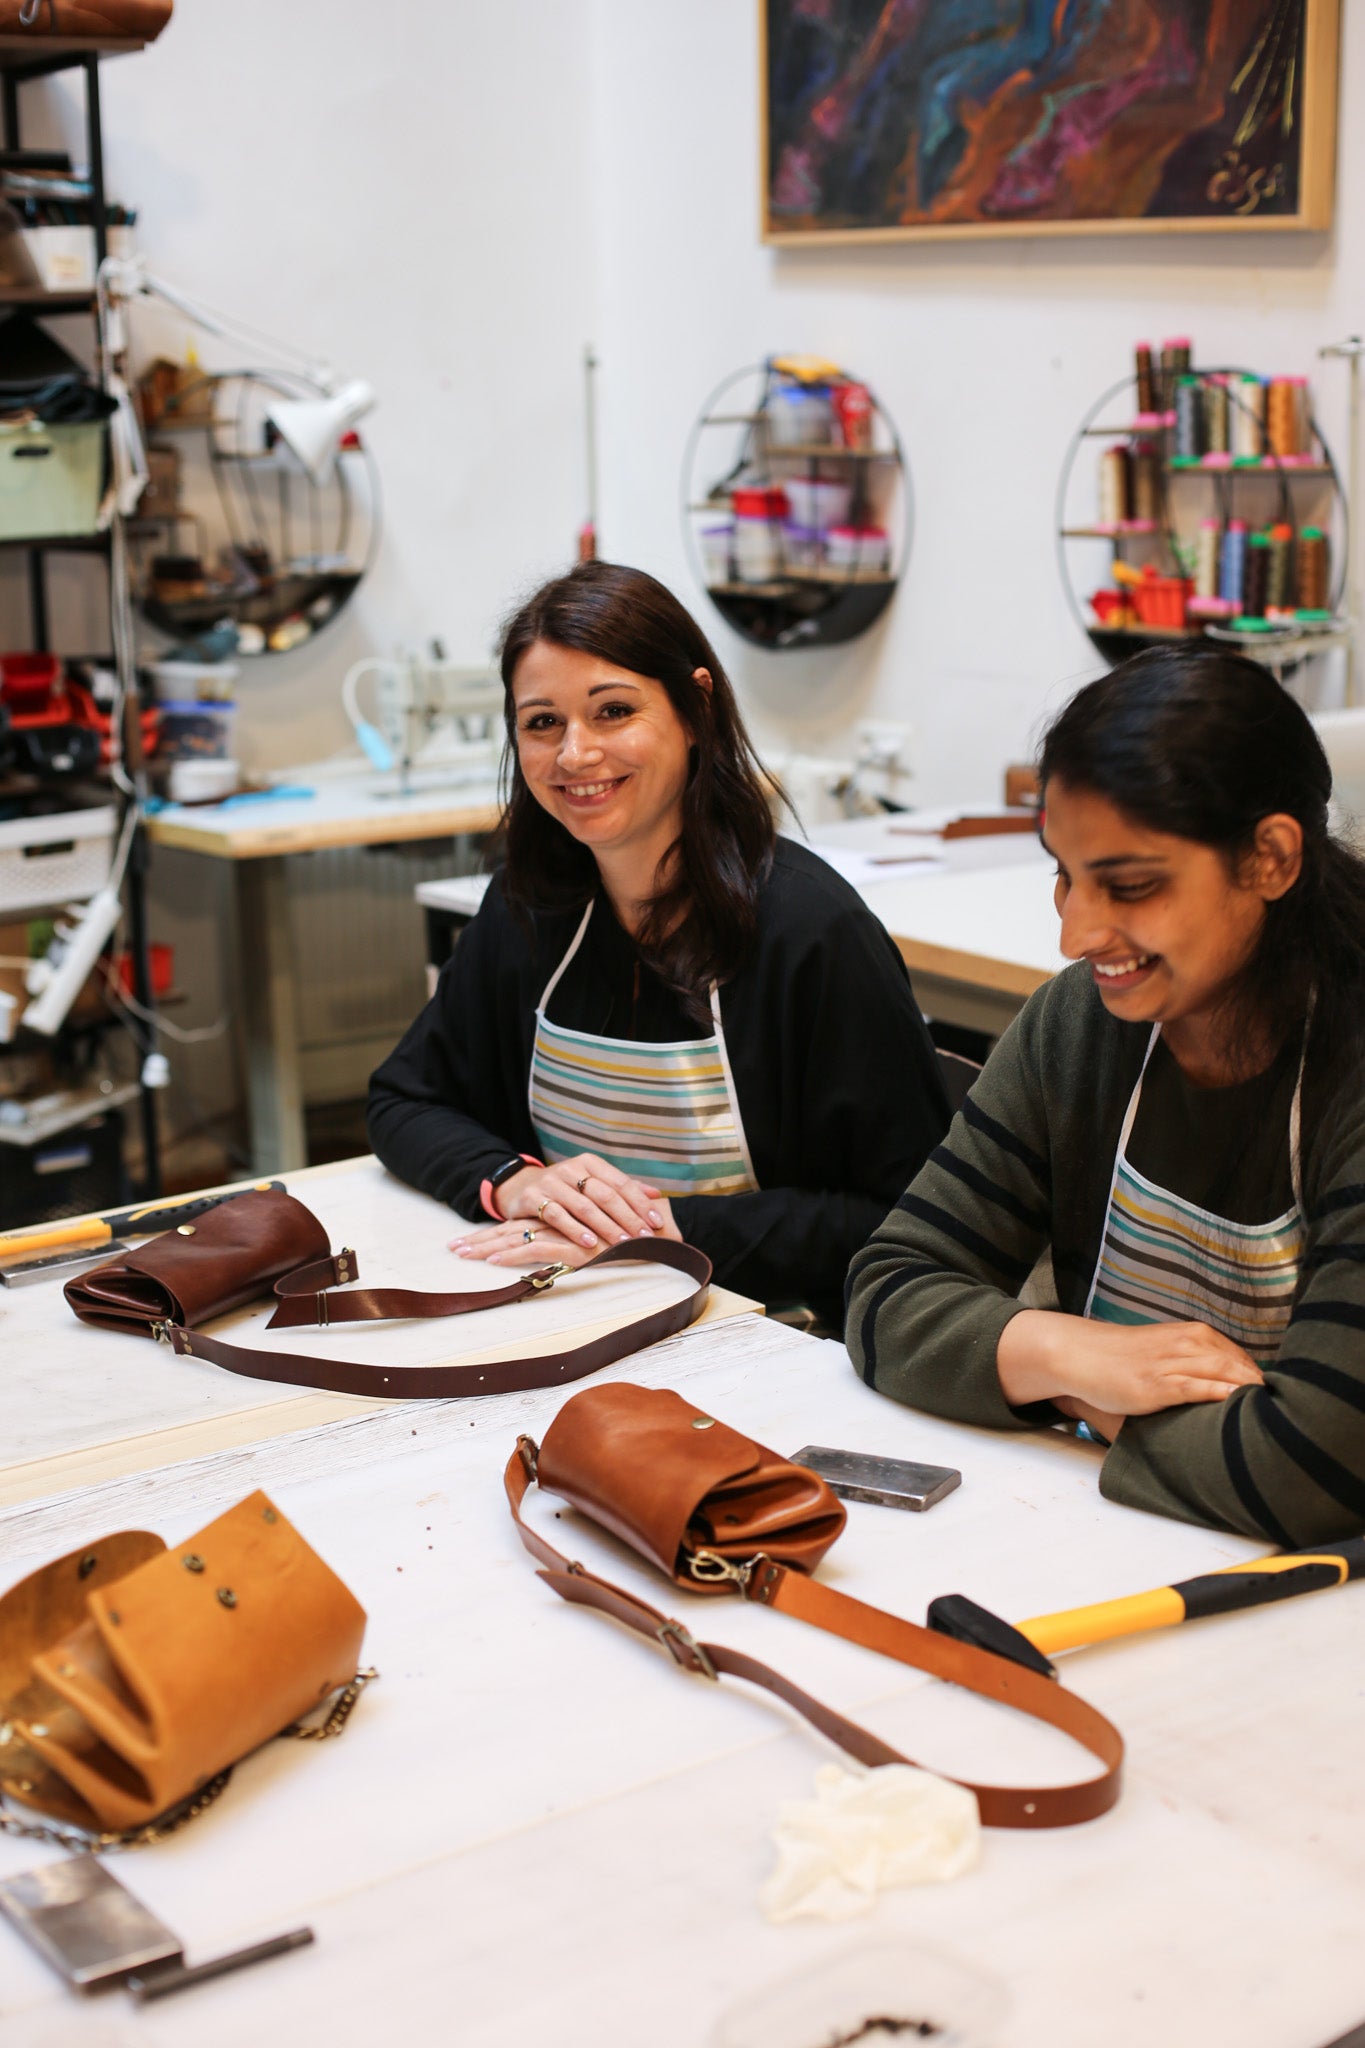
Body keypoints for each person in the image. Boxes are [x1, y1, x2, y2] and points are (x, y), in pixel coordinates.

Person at [847, 645, 1365, 1546]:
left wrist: (1084, 1396)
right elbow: (887, 1292)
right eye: (1063, 873)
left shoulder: (1347, 1072)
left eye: (1127, 885)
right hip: (1131, 1534)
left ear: (1271, 858)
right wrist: (1073, 1352)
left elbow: (1314, 1470)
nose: (1073, 934)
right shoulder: (1079, 1026)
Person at [368, 560, 947, 1325]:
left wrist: (662, 1232)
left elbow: (907, 1219)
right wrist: (512, 1180)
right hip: (577, 1317)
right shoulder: (530, 908)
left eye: (612, 712)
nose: (574, 754)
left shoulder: (811, 932)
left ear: (694, 709)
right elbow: (402, 1098)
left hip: (779, 1338)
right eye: (543, 723)